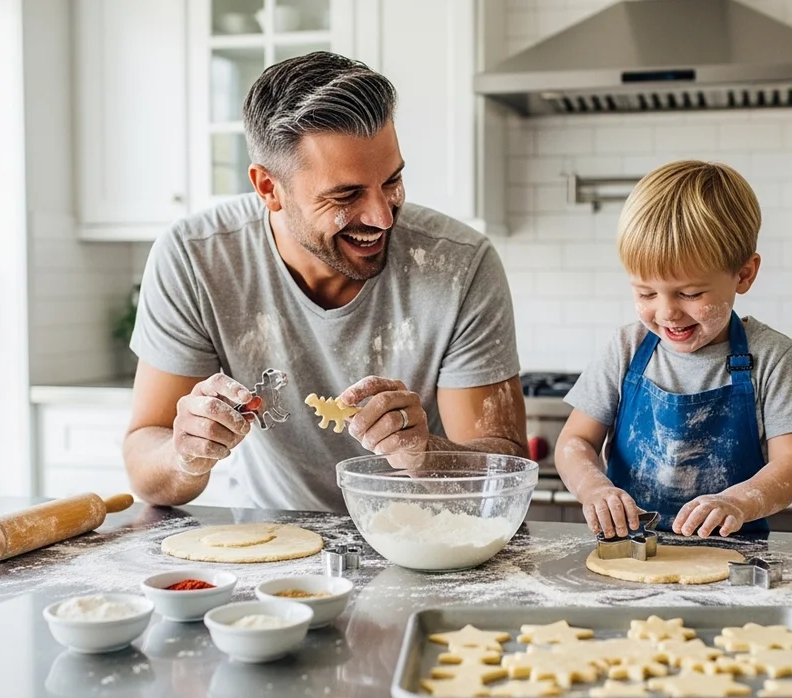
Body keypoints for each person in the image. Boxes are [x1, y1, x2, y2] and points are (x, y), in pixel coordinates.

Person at [122, 52, 526, 511]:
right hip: (271, 536)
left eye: (391, 181)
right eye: (346, 195)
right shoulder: (195, 259)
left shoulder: (461, 265)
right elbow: (147, 471)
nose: (382, 217)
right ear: (268, 188)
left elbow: (505, 474)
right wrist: (184, 454)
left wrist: (424, 453)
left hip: (426, 534)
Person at [554, 160, 792, 538]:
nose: (667, 312)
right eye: (646, 293)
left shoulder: (771, 358)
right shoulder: (626, 349)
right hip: (629, 551)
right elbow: (575, 442)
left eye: (690, 293)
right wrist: (594, 489)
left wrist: (739, 501)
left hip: (734, 555)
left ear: (743, 274)